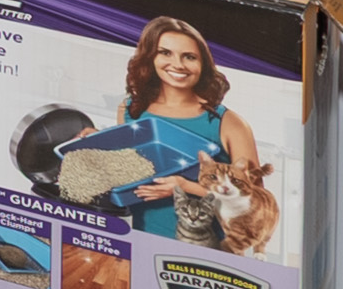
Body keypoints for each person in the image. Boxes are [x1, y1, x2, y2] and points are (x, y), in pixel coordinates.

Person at [110, 14, 274, 252]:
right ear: (150, 57)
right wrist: (94, 143)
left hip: (205, 254)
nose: (177, 64)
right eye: (165, 53)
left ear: (202, 64)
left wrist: (185, 186)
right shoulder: (130, 109)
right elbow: (125, 168)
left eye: (189, 56)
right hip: (138, 241)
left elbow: (256, 206)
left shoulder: (228, 123)